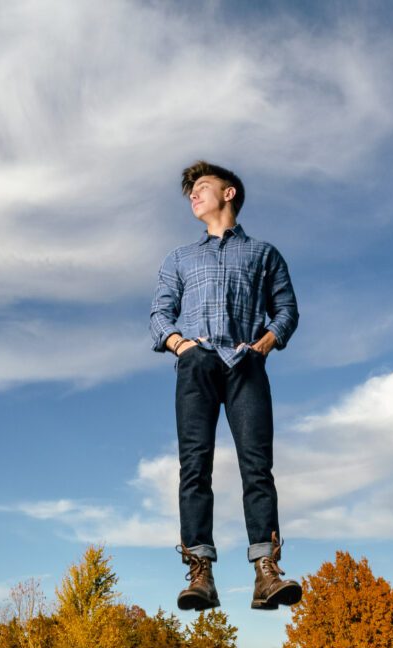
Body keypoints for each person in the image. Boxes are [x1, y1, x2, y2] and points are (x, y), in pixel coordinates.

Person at [149, 160, 302, 613]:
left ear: (229, 193)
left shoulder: (263, 254)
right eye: (190, 192)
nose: (192, 196)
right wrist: (179, 345)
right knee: (194, 467)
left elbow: (287, 309)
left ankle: (266, 572)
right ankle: (200, 571)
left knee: (257, 467)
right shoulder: (179, 258)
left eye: (201, 187)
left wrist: (265, 345)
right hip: (196, 365)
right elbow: (159, 313)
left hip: (246, 365)